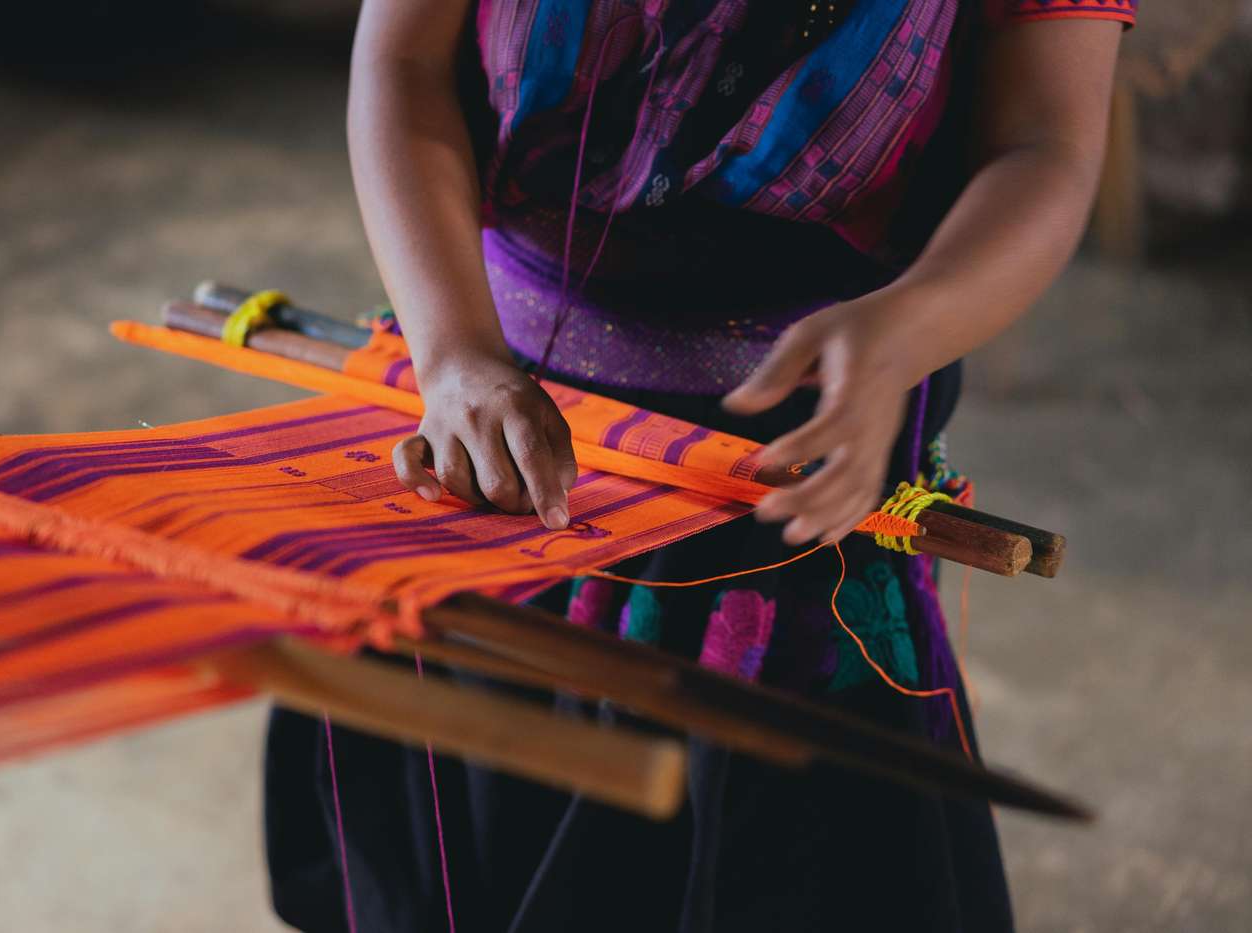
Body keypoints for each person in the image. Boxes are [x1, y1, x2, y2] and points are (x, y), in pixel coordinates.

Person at [264, 2, 1135, 930]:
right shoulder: (467, 377)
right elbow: (401, 63)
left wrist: (910, 323)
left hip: (785, 478)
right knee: (467, 816)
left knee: (765, 850)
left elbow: (1043, 146)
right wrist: (454, 354)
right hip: (489, 439)